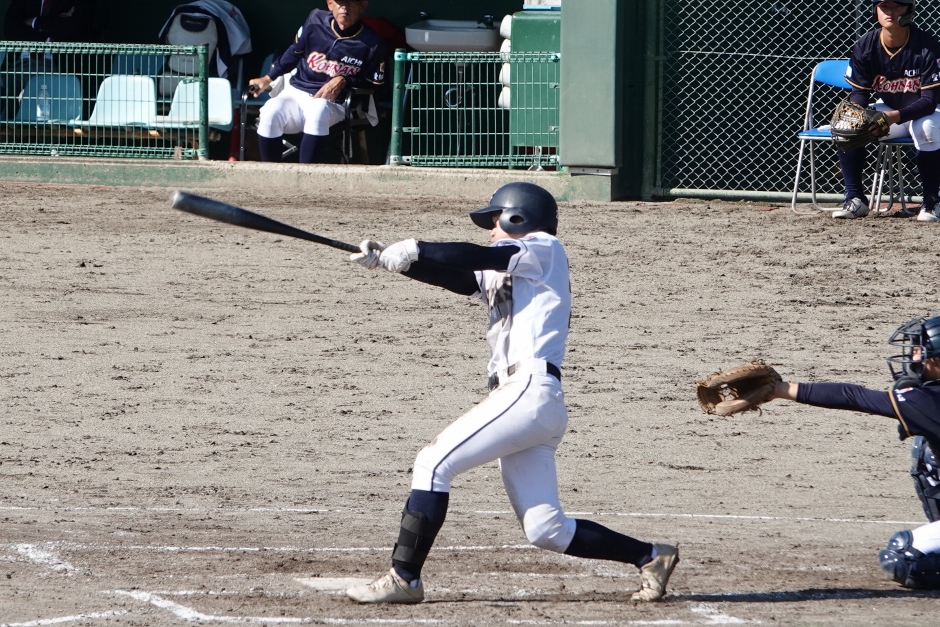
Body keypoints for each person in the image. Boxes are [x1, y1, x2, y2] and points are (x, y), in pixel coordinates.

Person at [343, 182, 680, 604]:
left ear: (518, 217)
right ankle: (650, 556)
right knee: (546, 529)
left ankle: (404, 578)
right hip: (529, 403)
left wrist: (414, 247)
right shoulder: (508, 267)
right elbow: (460, 277)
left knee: (432, 463)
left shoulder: (544, 248)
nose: (490, 229)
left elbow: (476, 255)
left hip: (527, 391)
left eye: (495, 220)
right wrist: (395, 263)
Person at [766, 313, 940, 588]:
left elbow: (854, 397)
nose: (913, 356)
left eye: (921, 351)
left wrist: (780, 390)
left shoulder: (929, 403)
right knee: (928, 450)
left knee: (903, 557)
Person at [834, 0, 940, 221]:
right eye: (884, 6)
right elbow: (860, 93)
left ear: (909, 9)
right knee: (848, 126)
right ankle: (855, 198)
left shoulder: (927, 45)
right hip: (892, 111)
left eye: (897, 6)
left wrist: (893, 117)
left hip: (931, 112)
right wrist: (857, 114)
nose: (890, 12)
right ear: (876, 10)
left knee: (927, 129)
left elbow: (929, 101)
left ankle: (932, 202)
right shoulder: (866, 44)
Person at [247, 0, 387, 164]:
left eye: (351, 2)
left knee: (318, 109)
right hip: (297, 93)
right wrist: (267, 78)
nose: (344, 7)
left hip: (336, 103)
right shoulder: (315, 21)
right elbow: (294, 53)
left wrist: (345, 80)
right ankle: (270, 173)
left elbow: (374, 82)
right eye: (340, 2)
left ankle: (307, 175)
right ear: (330, 4)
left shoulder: (372, 42)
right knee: (271, 109)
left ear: (362, 6)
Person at [2, 0, 98, 119]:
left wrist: (33, 22)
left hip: (53, 64)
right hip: (20, 63)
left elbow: (73, 27)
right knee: (4, 83)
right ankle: (8, 125)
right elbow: (10, 27)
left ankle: (44, 128)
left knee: (45, 92)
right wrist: (48, 36)